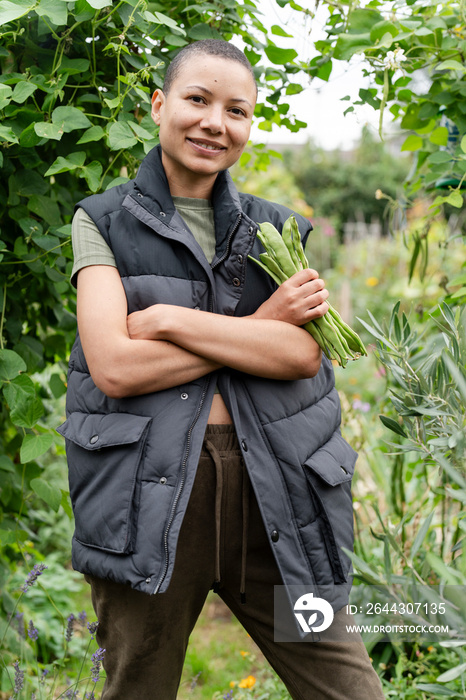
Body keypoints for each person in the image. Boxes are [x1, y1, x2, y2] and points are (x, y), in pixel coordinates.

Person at [58, 39, 384, 699]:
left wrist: (174, 322)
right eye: (197, 100)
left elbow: (299, 353)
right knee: (137, 688)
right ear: (160, 104)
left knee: (350, 690)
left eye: (236, 110)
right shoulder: (101, 222)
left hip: (280, 499)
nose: (215, 122)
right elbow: (116, 366)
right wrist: (257, 330)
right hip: (148, 501)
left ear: (250, 124)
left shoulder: (275, 231)